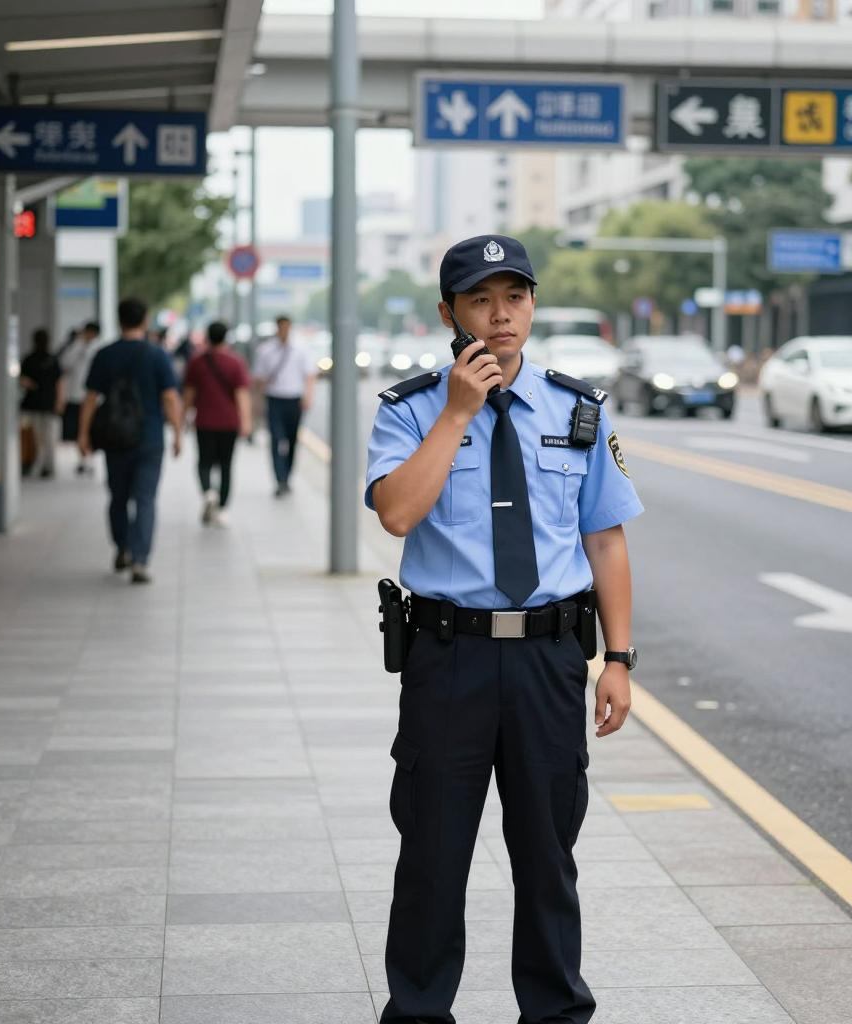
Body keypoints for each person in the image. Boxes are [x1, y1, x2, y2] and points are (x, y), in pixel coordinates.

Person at [365, 234, 644, 1024]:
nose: (499, 316)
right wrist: (458, 413)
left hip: (550, 661)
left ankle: (555, 1014)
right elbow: (396, 512)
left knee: (549, 862)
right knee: (432, 857)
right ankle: (419, 1013)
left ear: (531, 305)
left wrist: (617, 659)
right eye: (480, 300)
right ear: (449, 312)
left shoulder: (577, 406)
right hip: (446, 659)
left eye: (513, 298)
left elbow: (605, 538)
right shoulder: (412, 407)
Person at [78, 298, 182, 585]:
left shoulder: (105, 354)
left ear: (119, 320)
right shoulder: (158, 355)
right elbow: (171, 397)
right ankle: (140, 560)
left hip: (114, 438)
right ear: (145, 319)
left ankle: (122, 546)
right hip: (149, 438)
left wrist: (83, 435)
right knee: (146, 499)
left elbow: (90, 399)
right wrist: (178, 433)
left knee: (118, 497)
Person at [183, 321, 252, 527]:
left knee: (204, 461)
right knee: (226, 465)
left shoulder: (197, 362)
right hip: (229, 423)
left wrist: (182, 419)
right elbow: (242, 395)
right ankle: (222, 508)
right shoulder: (235, 362)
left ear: (207, 337)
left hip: (204, 421)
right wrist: (246, 422)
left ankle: (208, 492)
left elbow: (188, 394)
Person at [252, 315, 316, 496]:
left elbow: (310, 375)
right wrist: (256, 402)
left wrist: (308, 396)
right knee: (275, 439)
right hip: (274, 399)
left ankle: (287, 476)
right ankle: (279, 479)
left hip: (294, 400)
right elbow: (258, 378)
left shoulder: (301, 349)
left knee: (292, 440)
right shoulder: (266, 350)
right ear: (277, 328)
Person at [59, 320, 104, 475]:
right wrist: (78, 344)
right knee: (77, 430)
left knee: (91, 429)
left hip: (93, 397)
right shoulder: (76, 346)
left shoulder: (99, 348)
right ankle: (82, 459)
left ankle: (89, 459)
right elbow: (65, 363)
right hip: (75, 395)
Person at [19, 327, 65, 479]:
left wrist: (32, 385)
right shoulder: (52, 359)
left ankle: (39, 466)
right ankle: (47, 466)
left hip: (33, 403)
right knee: (49, 438)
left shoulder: (29, 359)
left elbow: (22, 380)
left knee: (38, 438)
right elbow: (59, 383)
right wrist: (59, 402)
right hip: (48, 403)